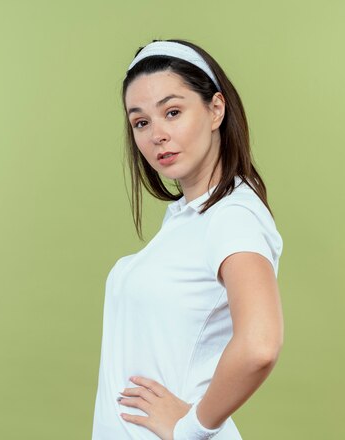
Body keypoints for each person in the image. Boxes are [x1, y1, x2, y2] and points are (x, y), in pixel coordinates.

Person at [92, 39, 284, 440]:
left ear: (216, 109)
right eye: (141, 122)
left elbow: (260, 343)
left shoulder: (233, 215)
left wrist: (190, 427)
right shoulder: (188, 216)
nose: (157, 134)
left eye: (173, 112)